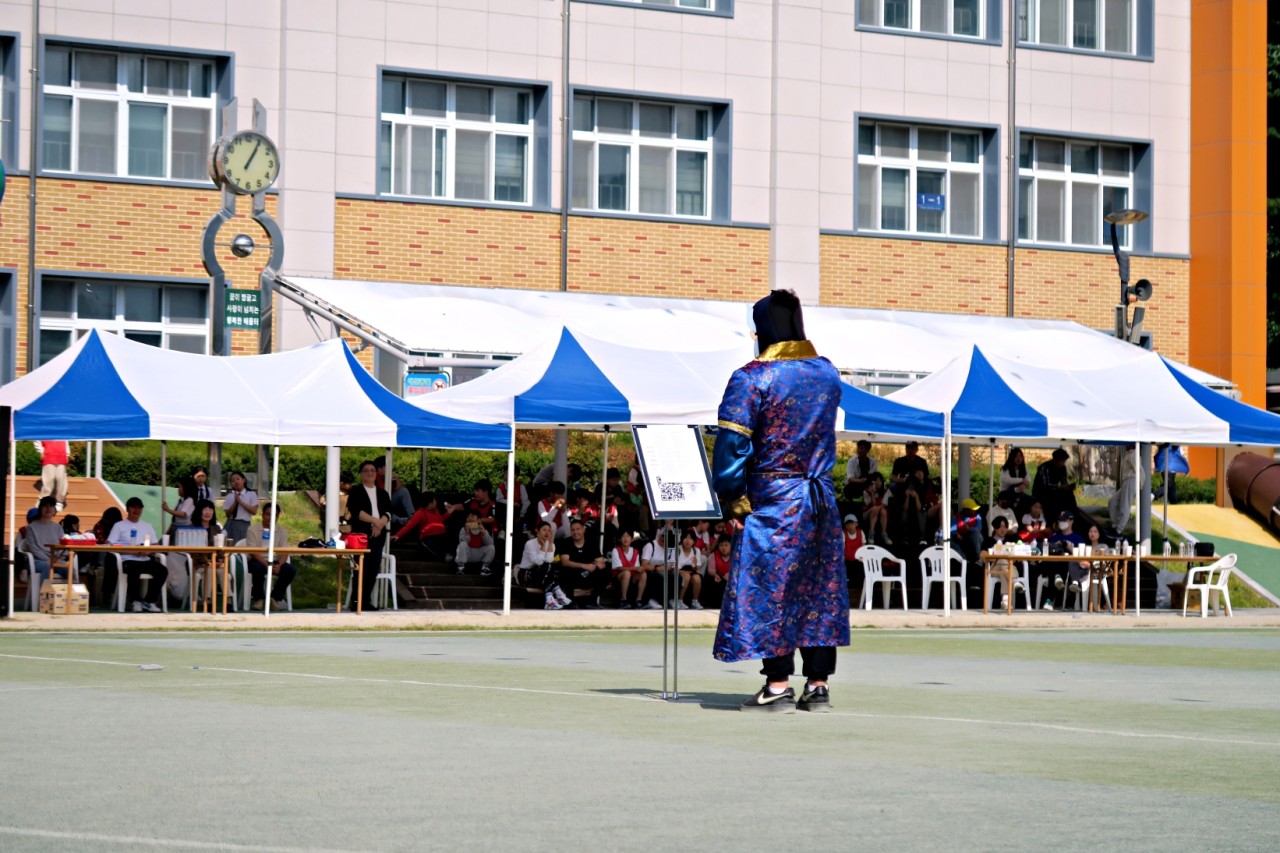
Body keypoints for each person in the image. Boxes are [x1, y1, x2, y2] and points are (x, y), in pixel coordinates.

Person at [711, 288, 848, 713]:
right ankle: (819, 684)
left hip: (775, 499)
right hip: (820, 497)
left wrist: (733, 499)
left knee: (774, 588)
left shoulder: (752, 377)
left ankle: (777, 685)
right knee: (820, 589)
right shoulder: (827, 373)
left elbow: (733, 446)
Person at [346, 460, 392, 611]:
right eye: (366, 470)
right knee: (360, 568)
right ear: (361, 474)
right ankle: (356, 601)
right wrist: (374, 521)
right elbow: (356, 511)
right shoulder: (355, 491)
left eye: (372, 470)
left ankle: (365, 600)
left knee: (373, 569)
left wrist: (380, 524)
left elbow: (388, 512)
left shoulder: (382, 493)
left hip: (379, 535)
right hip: (362, 535)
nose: (370, 473)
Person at [107, 497, 167, 613]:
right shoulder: (119, 525)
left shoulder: (147, 526)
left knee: (162, 570)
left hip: (145, 558)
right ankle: (135, 601)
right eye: (133, 507)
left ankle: (149, 601)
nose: (136, 510)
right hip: (127, 559)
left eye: (139, 508)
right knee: (133, 570)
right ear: (127, 509)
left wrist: (148, 551)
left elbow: (155, 544)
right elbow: (110, 544)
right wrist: (131, 551)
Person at [245, 502, 296, 611]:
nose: (270, 517)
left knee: (290, 570)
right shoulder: (252, 529)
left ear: (277, 517)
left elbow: (284, 551)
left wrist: (279, 565)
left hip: (275, 561)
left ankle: (274, 598)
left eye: (274, 515)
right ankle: (259, 599)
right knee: (257, 568)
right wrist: (267, 564)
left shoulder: (282, 531)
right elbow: (252, 552)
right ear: (263, 515)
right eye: (268, 514)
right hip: (257, 560)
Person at [172, 499, 220, 604]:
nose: (208, 512)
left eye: (210, 509)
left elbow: (220, 549)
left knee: (223, 571)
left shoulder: (216, 529)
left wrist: (219, 561)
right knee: (210, 569)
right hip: (197, 564)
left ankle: (228, 601)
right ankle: (208, 601)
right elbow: (190, 552)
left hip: (214, 562)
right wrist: (210, 562)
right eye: (205, 509)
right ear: (199, 511)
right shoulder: (192, 529)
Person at [1037, 510, 1086, 611]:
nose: (1061, 523)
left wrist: (1068, 546)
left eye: (1064, 520)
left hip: (1070, 568)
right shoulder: (1053, 538)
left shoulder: (1078, 539)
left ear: (1071, 521)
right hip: (1054, 567)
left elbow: (1081, 557)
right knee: (1053, 563)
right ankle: (1051, 596)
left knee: (1069, 567)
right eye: (1060, 520)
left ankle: (1054, 600)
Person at [556, 519, 610, 609]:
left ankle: (591, 600)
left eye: (578, 529)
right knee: (565, 570)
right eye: (573, 530)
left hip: (587, 576)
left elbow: (601, 562)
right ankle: (571, 601)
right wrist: (584, 565)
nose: (575, 532)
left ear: (583, 530)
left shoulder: (592, 542)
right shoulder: (566, 542)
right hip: (572, 576)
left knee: (606, 571)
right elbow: (565, 562)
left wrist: (597, 564)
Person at [519, 521, 571, 610]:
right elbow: (538, 562)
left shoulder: (552, 545)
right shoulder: (530, 544)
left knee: (549, 566)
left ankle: (549, 600)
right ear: (537, 531)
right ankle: (558, 592)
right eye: (544, 530)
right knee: (547, 567)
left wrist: (550, 543)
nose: (547, 533)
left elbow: (549, 561)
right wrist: (543, 546)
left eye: (549, 530)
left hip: (541, 575)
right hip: (526, 575)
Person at [21, 496, 67, 590]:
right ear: (40, 509)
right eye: (45, 506)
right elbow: (33, 548)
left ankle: (69, 599)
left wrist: (57, 559)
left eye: (51, 506)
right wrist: (47, 559)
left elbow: (63, 545)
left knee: (69, 568)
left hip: (56, 559)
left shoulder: (58, 527)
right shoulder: (31, 527)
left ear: (54, 510)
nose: (48, 508)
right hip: (38, 561)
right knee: (47, 566)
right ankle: (44, 600)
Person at [392, 491, 450, 558]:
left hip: (441, 536)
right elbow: (409, 525)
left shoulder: (436, 511)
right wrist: (398, 535)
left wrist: (448, 513)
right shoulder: (420, 513)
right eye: (434, 500)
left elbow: (439, 521)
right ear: (429, 503)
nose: (436, 502)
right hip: (429, 537)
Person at [640, 522, 679, 609]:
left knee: (677, 577)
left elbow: (672, 563)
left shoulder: (671, 548)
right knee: (658, 576)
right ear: (661, 538)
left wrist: (670, 567)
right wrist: (656, 568)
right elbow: (644, 564)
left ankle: (671, 600)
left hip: (666, 569)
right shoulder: (650, 546)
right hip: (652, 569)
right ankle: (652, 599)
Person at [1032, 448, 1077, 523]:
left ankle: (1072, 516)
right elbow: (1046, 485)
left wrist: (1068, 487)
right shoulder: (1045, 467)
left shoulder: (1062, 468)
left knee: (1069, 495)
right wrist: (1060, 487)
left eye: (1064, 461)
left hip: (1054, 492)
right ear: (1055, 460)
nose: (1063, 463)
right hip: (1041, 493)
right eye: (1061, 461)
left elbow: (1063, 482)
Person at [609, 529, 644, 608]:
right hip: (619, 576)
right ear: (620, 539)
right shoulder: (616, 550)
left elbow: (637, 568)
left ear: (631, 539)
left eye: (628, 536)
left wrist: (639, 569)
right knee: (626, 573)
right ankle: (623, 600)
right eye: (623, 536)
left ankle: (639, 600)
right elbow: (619, 568)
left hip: (632, 576)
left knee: (643, 574)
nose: (625, 539)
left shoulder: (635, 551)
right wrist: (635, 568)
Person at [1109, 446, 1141, 534]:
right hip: (1126, 481)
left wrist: (1140, 484)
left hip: (1132, 480)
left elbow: (1140, 471)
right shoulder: (1129, 454)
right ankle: (1115, 525)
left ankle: (1119, 529)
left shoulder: (1134, 455)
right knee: (1113, 501)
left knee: (1125, 505)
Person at [221, 471, 259, 543]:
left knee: (241, 545)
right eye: (233, 481)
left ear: (244, 480)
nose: (236, 482)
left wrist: (240, 502)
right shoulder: (230, 496)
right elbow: (228, 515)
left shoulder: (251, 494)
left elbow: (254, 511)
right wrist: (235, 502)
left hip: (243, 524)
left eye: (238, 479)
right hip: (231, 524)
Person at [455, 510, 496, 577]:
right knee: (462, 544)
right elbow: (463, 543)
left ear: (479, 519)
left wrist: (483, 533)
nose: (469, 518)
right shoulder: (463, 529)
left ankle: (485, 567)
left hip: (479, 554)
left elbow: (490, 543)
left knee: (491, 547)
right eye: (468, 517)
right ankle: (461, 566)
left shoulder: (483, 530)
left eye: (472, 516)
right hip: (468, 554)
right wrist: (467, 533)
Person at [34, 440, 70, 511]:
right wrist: (41, 451)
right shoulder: (43, 429)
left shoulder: (62, 430)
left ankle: (59, 502)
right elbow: (37, 438)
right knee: (49, 480)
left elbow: (66, 441)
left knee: (61, 480)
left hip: (61, 456)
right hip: (48, 456)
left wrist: (67, 454)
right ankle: (42, 501)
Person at [674, 530, 704, 610]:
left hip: (690, 571)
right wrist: (686, 572)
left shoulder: (696, 550)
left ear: (694, 541)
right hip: (678, 571)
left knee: (697, 578)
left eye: (690, 538)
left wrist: (694, 564)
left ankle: (695, 601)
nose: (687, 541)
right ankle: (679, 600)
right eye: (685, 538)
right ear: (682, 539)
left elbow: (695, 568)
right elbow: (674, 568)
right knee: (686, 576)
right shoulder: (677, 550)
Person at [843, 439, 878, 505]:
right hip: (855, 483)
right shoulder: (852, 461)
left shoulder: (873, 462)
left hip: (868, 483)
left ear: (867, 450)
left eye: (862, 448)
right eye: (858, 448)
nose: (859, 450)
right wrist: (860, 481)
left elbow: (874, 476)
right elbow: (850, 478)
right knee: (848, 489)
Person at [702, 534, 732, 609]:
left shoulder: (735, 556)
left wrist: (730, 575)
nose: (723, 548)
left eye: (726, 545)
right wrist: (715, 575)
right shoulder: (713, 555)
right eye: (721, 545)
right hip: (718, 578)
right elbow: (710, 570)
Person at [862, 471, 891, 545]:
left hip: (881, 512)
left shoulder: (886, 491)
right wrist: (872, 493)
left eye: (880, 480)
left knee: (883, 511)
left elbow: (883, 505)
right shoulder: (866, 492)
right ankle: (871, 533)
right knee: (875, 508)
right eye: (876, 481)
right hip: (867, 513)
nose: (878, 483)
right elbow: (872, 505)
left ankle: (884, 533)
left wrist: (877, 508)